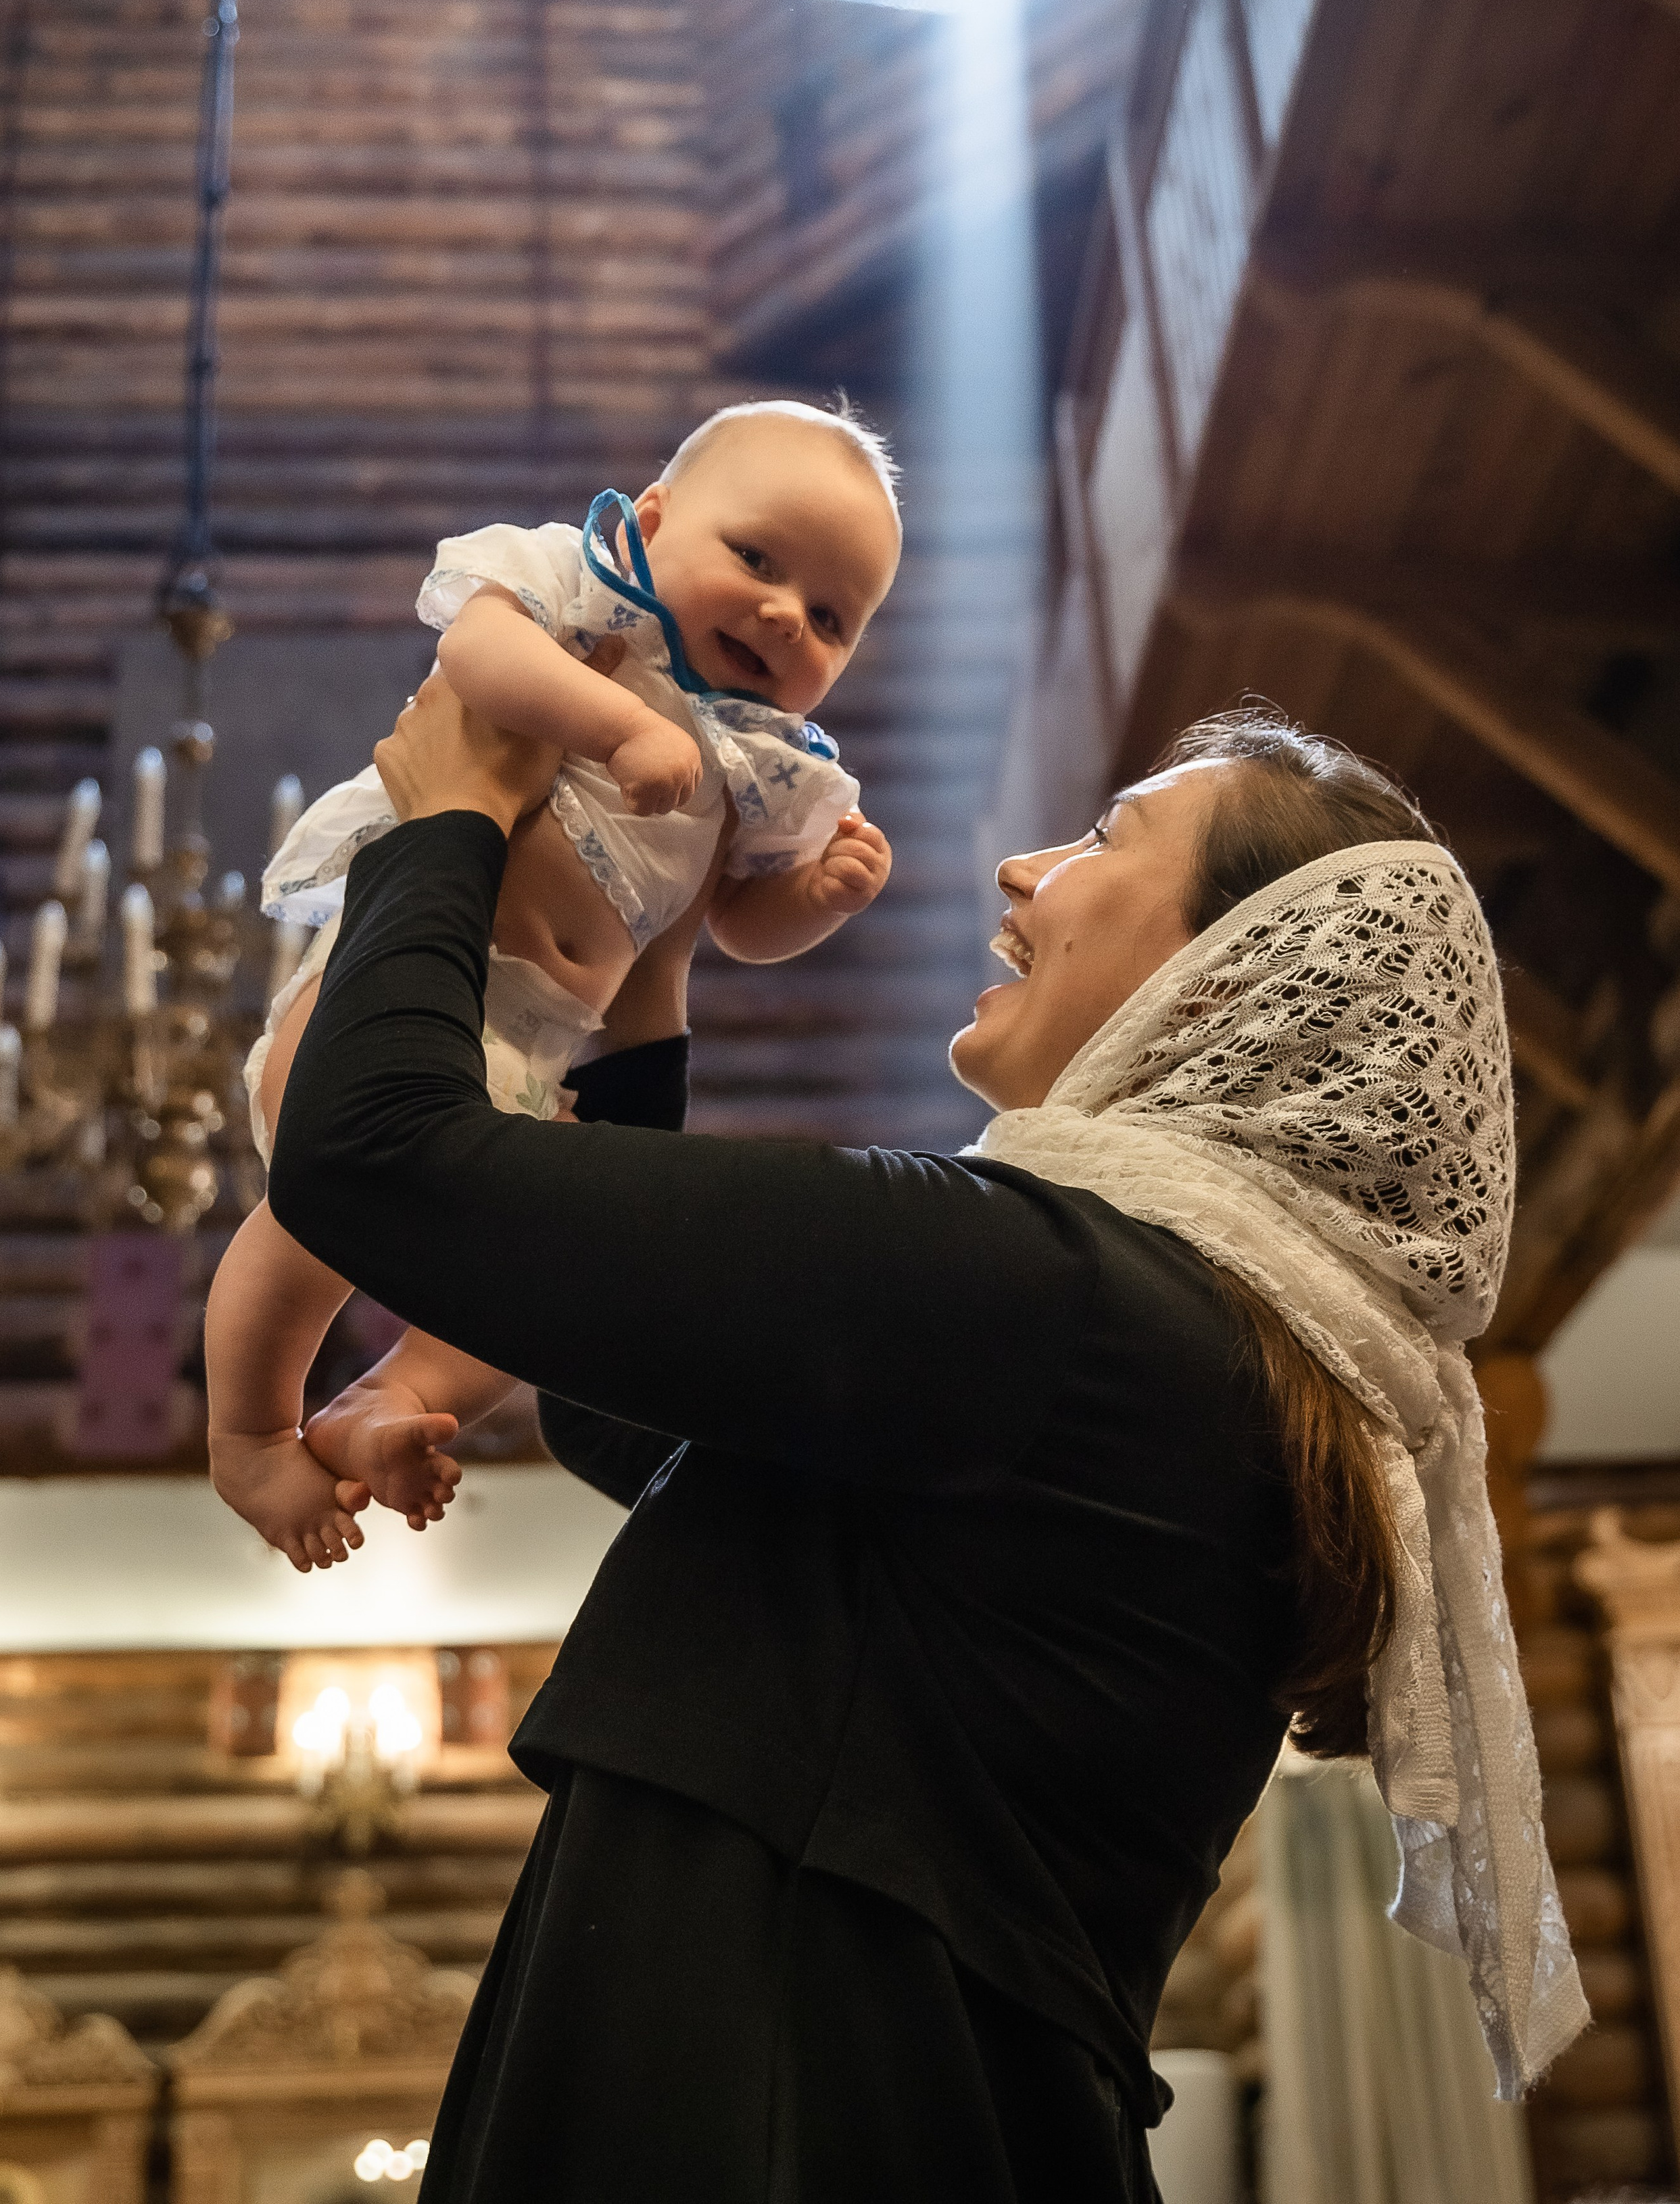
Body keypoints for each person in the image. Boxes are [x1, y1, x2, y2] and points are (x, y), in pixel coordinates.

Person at [266, 688, 1587, 2202]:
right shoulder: (1157, 1340)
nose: (1025, 866)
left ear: (1222, 987)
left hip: (784, 2119)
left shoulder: (1050, 1292)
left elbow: (371, 1150)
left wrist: (448, 803)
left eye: (1105, 836)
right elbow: (632, 1399)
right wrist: (654, 971)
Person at [204, 399, 902, 1568]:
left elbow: (730, 921)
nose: (786, 615)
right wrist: (615, 721)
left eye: (830, 617)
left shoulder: (764, 764)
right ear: (656, 517)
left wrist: (816, 900)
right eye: (757, 560)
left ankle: (389, 1396)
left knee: (533, 1283)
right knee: (320, 1216)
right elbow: (475, 654)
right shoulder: (581, 587)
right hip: (412, 981)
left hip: (533, 1053)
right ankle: (249, 1430)